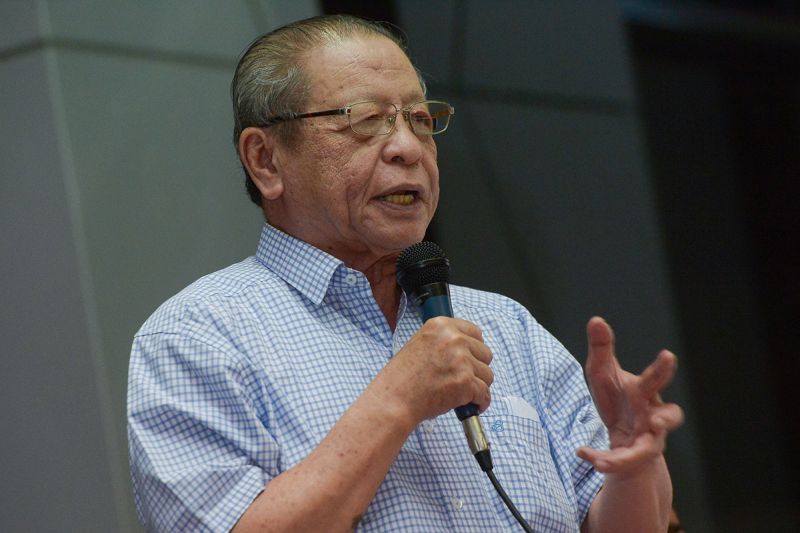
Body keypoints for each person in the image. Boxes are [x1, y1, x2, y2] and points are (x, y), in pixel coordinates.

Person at [127, 14, 683, 532]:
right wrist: (398, 399)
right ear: (266, 160)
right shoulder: (197, 335)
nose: (407, 148)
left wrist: (632, 463)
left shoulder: (505, 325)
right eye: (365, 121)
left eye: (420, 120)